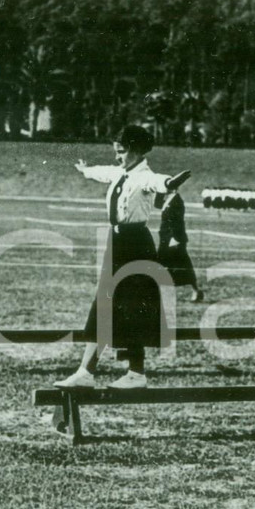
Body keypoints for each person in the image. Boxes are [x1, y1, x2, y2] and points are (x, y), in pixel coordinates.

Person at [56, 125, 191, 390]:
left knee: (129, 305)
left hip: (135, 244)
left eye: (122, 152)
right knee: (109, 304)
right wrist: (85, 170)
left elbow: (158, 182)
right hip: (117, 243)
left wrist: (170, 183)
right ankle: (94, 372)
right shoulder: (121, 172)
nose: (118, 157)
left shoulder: (144, 177)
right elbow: (103, 173)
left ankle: (125, 373)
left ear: (137, 151)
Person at [157, 179, 205, 303]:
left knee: (183, 265)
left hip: (174, 239)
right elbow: (157, 203)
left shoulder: (177, 201)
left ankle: (196, 291)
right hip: (165, 238)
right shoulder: (169, 199)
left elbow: (177, 222)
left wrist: (174, 239)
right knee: (161, 264)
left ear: (173, 188)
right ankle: (162, 292)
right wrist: (160, 191)